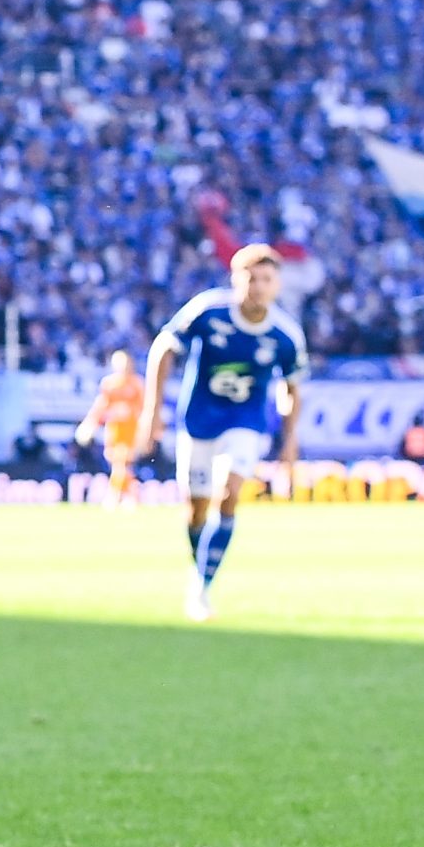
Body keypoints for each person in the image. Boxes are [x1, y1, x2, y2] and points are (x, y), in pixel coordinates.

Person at [128, 245, 308, 621]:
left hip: (246, 421)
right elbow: (163, 348)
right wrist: (152, 412)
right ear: (235, 280)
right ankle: (202, 570)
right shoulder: (208, 311)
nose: (258, 287)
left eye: (266, 280)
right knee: (195, 510)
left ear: (277, 285)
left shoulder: (285, 334)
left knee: (230, 492)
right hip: (198, 421)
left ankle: (201, 587)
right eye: (250, 278)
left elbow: (292, 391)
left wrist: (289, 445)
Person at [75, 349, 147, 501]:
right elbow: (101, 406)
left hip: (130, 429)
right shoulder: (109, 384)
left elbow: (143, 408)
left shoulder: (136, 384)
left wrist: (144, 428)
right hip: (114, 429)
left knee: (122, 462)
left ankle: (115, 495)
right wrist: (89, 424)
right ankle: (131, 494)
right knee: (118, 462)